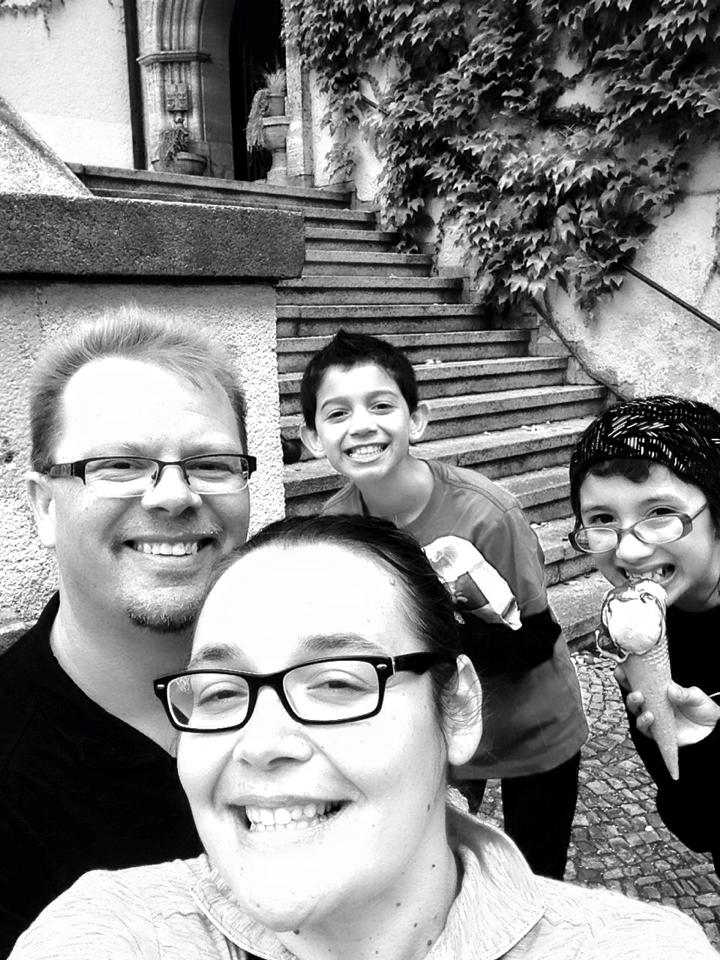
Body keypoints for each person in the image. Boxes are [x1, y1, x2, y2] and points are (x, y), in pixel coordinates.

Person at [8, 514, 717, 960]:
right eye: (222, 692)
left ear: (457, 706)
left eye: (339, 681)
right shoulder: (104, 929)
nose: (259, 744)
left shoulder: (642, 948)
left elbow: (535, 632)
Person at [0, 308, 255, 956]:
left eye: (212, 463)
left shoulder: (321, 697)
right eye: (118, 464)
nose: (173, 496)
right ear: (43, 506)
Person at [297, 330, 588, 880]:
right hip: (441, 734)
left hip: (535, 726)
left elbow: (535, 639)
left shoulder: (486, 513)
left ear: (417, 419)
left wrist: (430, 644)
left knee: (535, 875)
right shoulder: (340, 531)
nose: (361, 425)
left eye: (381, 405)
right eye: (337, 414)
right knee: (438, 872)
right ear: (313, 438)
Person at [569, 394, 720, 875]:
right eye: (601, 520)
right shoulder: (642, 637)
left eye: (659, 513)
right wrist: (695, 747)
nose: (629, 551)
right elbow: (697, 825)